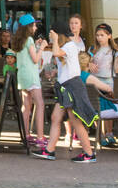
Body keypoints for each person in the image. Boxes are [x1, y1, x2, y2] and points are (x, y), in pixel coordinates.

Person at [33, 18, 97, 163]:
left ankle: (89, 153)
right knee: (56, 118)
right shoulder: (66, 46)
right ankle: (49, 150)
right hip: (65, 87)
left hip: (72, 87)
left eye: (52, 33)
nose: (50, 36)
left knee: (75, 121)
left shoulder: (70, 46)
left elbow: (56, 53)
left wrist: (54, 40)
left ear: (58, 34)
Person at [78, 51, 118, 148]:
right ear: (88, 63)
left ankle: (102, 136)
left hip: (82, 108)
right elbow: (108, 88)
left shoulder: (75, 76)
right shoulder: (88, 77)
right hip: (99, 109)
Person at [11, 17, 46, 148]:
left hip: (22, 76)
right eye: (34, 25)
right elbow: (36, 59)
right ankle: (40, 137)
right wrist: (42, 47)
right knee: (40, 104)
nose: (36, 28)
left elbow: (26, 55)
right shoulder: (29, 40)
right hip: (31, 76)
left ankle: (26, 135)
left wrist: (36, 45)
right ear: (29, 27)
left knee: (26, 106)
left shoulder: (19, 40)